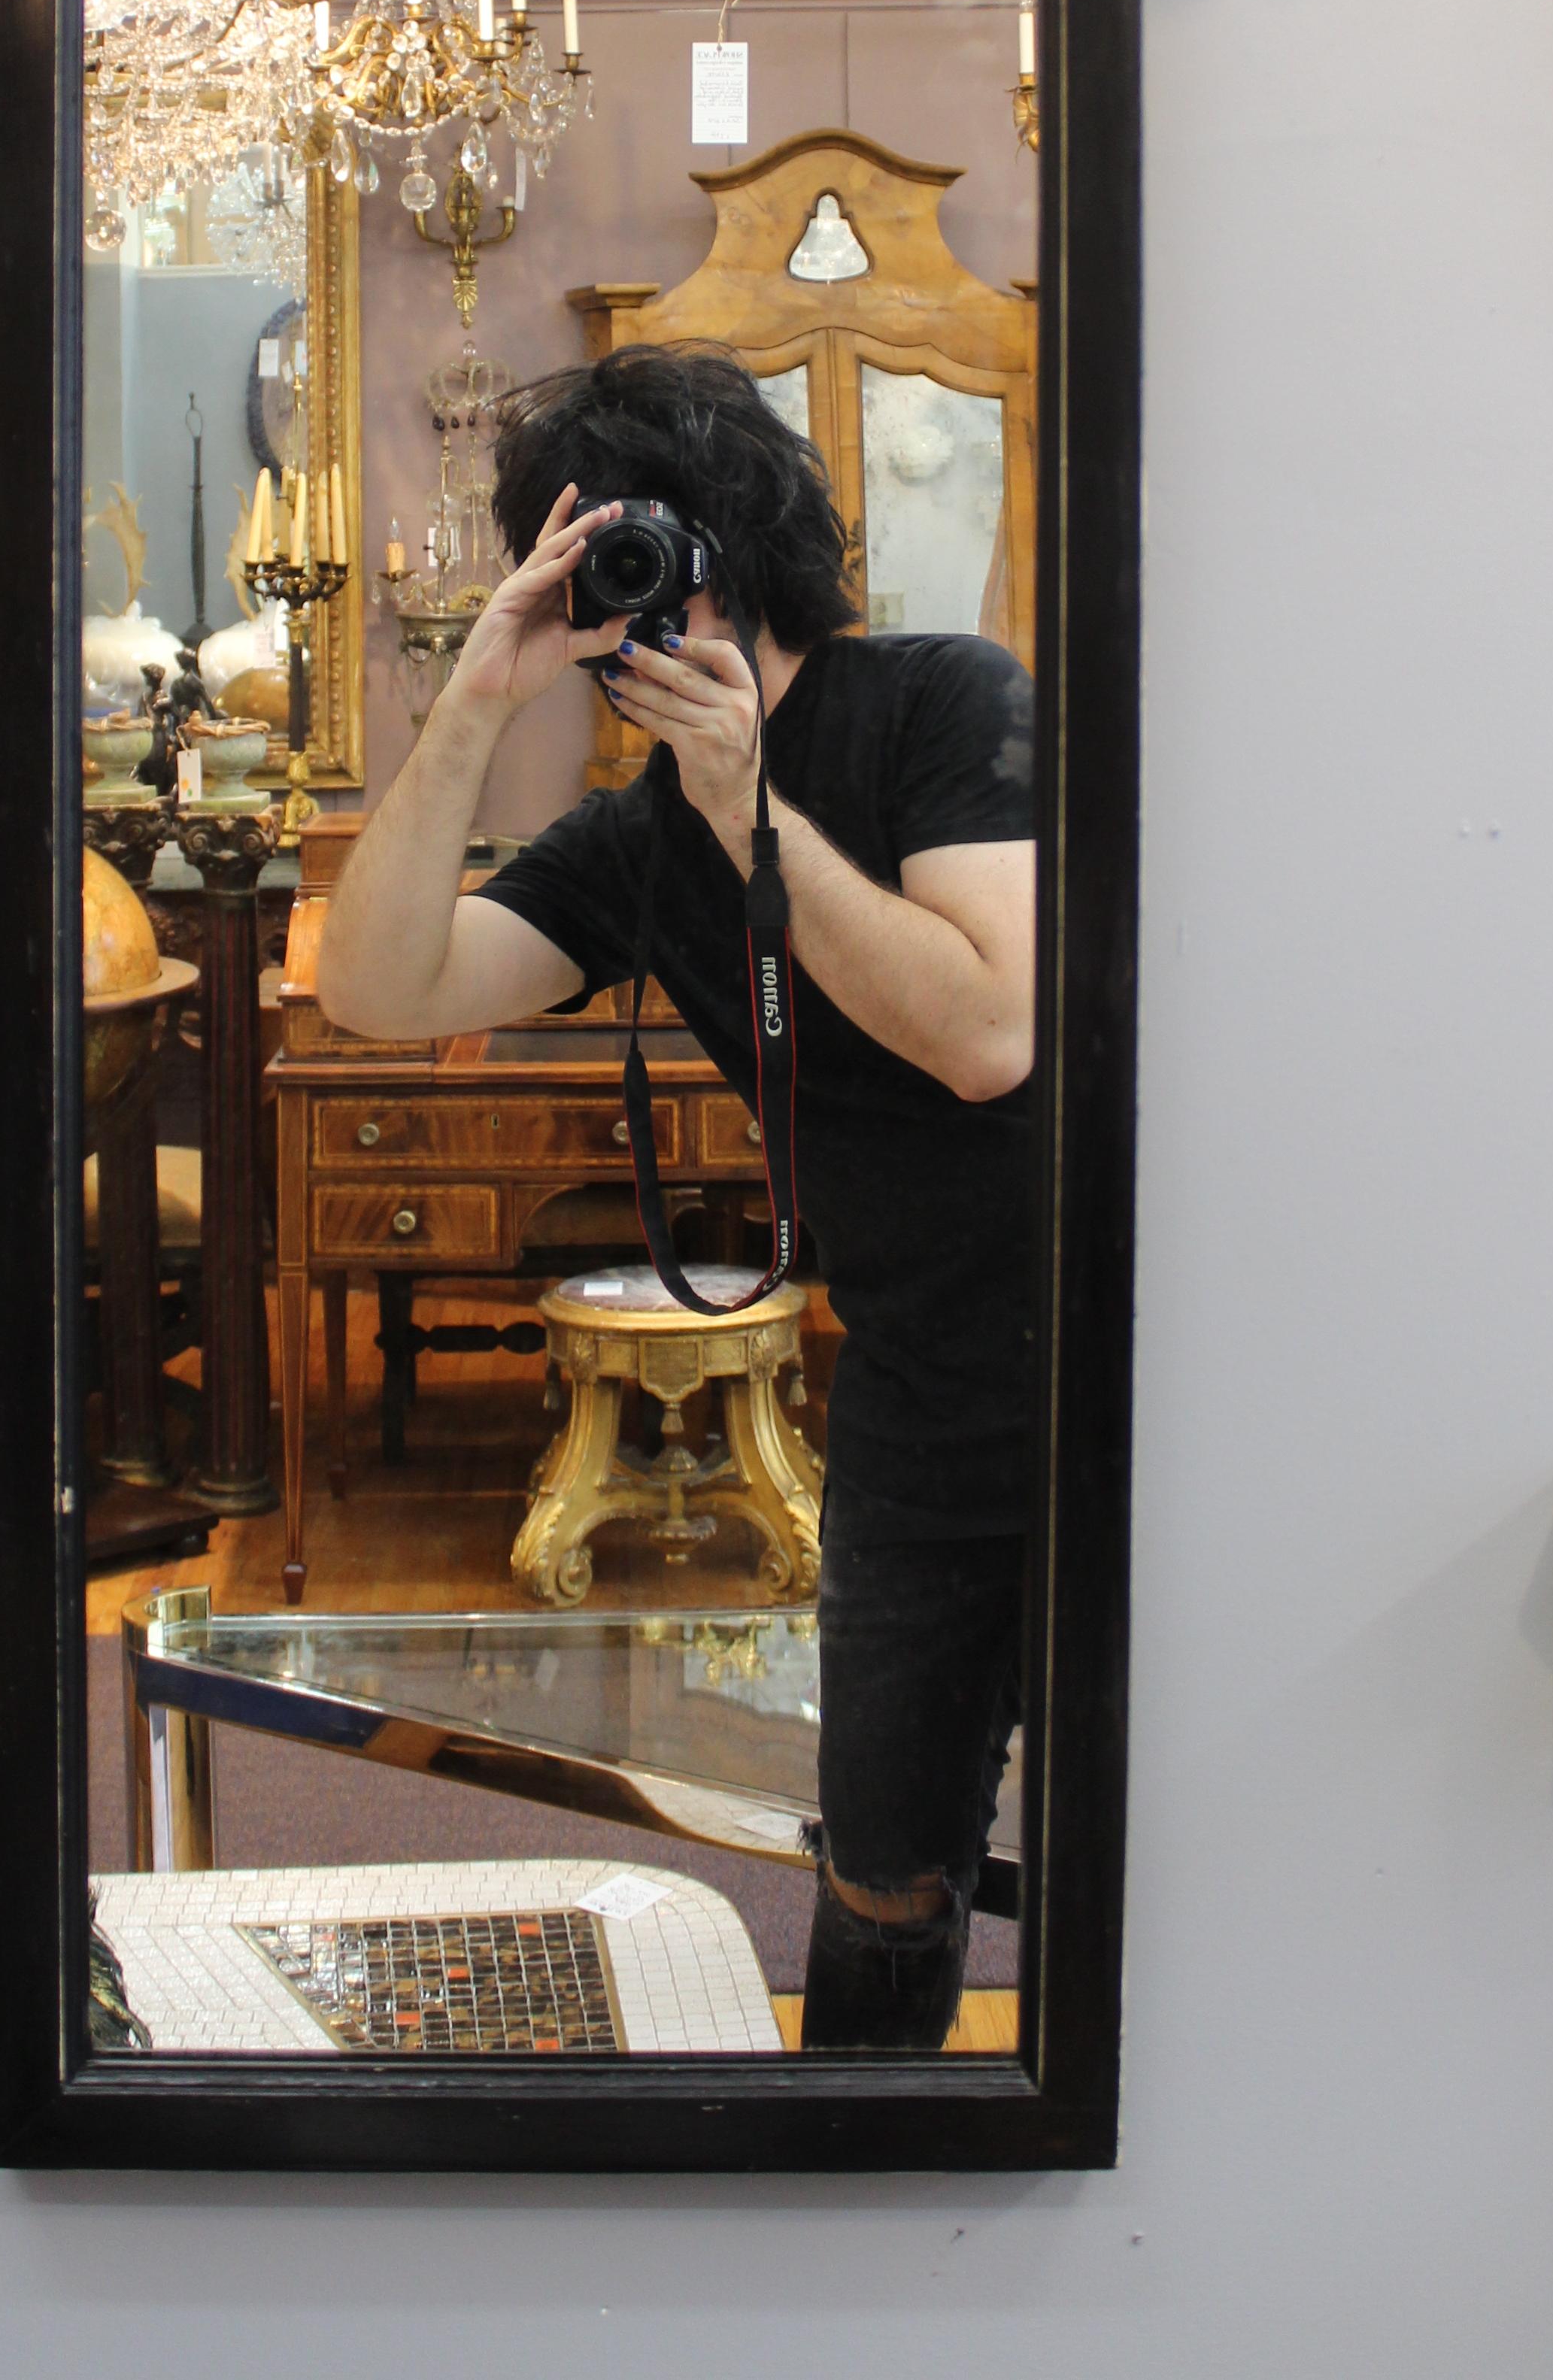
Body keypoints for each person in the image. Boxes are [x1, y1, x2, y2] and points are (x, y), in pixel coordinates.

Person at [317, 343, 1036, 2050]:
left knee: (1160, 1824)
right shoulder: (635, 837)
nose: (634, 596)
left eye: (647, 547)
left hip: (1116, 1362)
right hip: (923, 1383)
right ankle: (856, 2198)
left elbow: (986, 1036)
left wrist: (752, 813)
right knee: (881, 1862)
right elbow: (382, 986)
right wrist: (476, 698)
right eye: (588, 559)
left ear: (741, 541)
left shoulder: (942, 698)